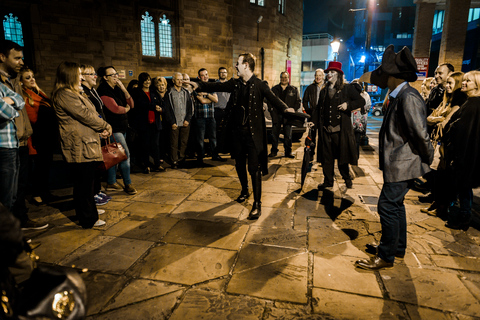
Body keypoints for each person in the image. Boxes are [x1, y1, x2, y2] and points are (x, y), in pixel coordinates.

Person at [187, 53, 294, 220]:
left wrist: (286, 108)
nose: (235, 66)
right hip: (237, 134)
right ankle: (244, 190)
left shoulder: (260, 85)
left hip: (252, 135)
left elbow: (273, 99)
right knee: (239, 164)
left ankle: (257, 204)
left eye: (238, 63)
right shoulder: (235, 84)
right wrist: (198, 85)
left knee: (254, 168)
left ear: (246, 65)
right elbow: (217, 86)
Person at [355, 45, 433, 270]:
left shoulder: (408, 97)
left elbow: (420, 133)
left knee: (386, 206)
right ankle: (396, 247)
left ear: (394, 76)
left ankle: (386, 255)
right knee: (396, 205)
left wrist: (428, 159)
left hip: (404, 165)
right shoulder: (399, 94)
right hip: (399, 164)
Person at [52, 61, 112, 228]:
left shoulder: (75, 93)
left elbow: (91, 113)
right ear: (70, 75)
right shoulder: (65, 94)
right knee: (83, 185)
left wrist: (100, 130)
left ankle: (89, 210)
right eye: (78, 74)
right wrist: (105, 126)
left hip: (86, 141)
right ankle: (87, 218)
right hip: (79, 145)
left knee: (87, 182)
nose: (81, 77)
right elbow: (85, 115)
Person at [0, 40, 47, 230]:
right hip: (8, 141)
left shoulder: (10, 79)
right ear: (2, 57)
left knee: (16, 189)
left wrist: (11, 102)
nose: (21, 61)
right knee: (7, 194)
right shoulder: (5, 80)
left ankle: (17, 225)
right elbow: (8, 111)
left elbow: (17, 103)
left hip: (19, 138)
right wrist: (12, 105)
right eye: (17, 58)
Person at [312, 61, 365, 190]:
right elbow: (318, 109)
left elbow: (361, 100)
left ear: (339, 74)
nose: (329, 74)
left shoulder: (347, 88)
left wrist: (348, 105)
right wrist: (312, 121)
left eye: (332, 72)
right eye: (328, 72)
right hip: (326, 131)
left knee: (343, 159)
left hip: (340, 132)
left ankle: (346, 178)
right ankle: (328, 181)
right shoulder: (324, 91)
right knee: (327, 159)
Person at [421, 72, 466, 217]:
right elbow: (429, 119)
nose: (447, 86)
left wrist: (440, 118)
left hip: (445, 147)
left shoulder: (459, 104)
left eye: (450, 83)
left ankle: (442, 206)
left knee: (443, 178)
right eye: (447, 83)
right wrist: (439, 118)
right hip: (437, 143)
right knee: (436, 175)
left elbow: (445, 124)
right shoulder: (446, 101)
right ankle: (436, 202)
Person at [443, 71, 480, 231]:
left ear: (477, 85)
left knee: (462, 188)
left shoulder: (473, 105)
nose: (463, 83)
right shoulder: (472, 102)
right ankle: (463, 215)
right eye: (463, 80)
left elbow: (465, 134)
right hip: (466, 154)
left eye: (468, 81)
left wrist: (456, 155)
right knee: (464, 188)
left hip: (464, 155)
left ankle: (461, 217)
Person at [19, 67, 58, 206]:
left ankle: (45, 192)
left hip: (46, 135)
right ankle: (36, 194)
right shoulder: (24, 96)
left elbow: (48, 103)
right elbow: (32, 117)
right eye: (27, 77)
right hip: (36, 136)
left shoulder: (37, 93)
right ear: (21, 81)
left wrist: (38, 88)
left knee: (46, 166)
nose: (32, 79)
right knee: (38, 167)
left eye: (32, 76)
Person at [97, 66, 137, 195]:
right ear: (105, 77)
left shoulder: (117, 89)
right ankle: (128, 183)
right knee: (124, 155)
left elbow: (131, 104)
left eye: (116, 74)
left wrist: (124, 88)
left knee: (114, 156)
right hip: (113, 128)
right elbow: (115, 108)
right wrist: (125, 110)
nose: (116, 76)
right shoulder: (103, 90)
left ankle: (111, 182)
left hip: (122, 126)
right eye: (112, 75)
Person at [80, 65, 112, 206]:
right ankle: (93, 193)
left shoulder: (92, 90)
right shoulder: (83, 92)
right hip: (94, 132)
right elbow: (89, 115)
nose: (95, 76)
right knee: (93, 165)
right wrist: (101, 128)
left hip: (100, 129)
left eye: (94, 73)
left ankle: (97, 190)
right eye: (91, 74)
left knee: (99, 163)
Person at [131, 72, 164, 173]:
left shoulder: (154, 92)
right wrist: (153, 107)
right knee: (145, 145)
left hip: (155, 122)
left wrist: (160, 109)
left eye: (149, 80)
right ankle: (146, 165)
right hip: (144, 123)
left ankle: (157, 164)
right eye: (145, 80)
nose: (147, 82)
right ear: (141, 81)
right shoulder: (137, 92)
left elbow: (161, 103)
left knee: (155, 144)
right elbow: (140, 104)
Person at [163, 72, 193, 168]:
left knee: (184, 142)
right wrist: (172, 122)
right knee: (174, 143)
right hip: (175, 122)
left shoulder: (186, 92)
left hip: (185, 122)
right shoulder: (169, 93)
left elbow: (190, 107)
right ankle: (174, 161)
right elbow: (167, 109)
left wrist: (187, 119)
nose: (180, 81)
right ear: (173, 81)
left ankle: (181, 158)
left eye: (181, 79)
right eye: (178, 79)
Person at [268, 71, 301, 158]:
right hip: (276, 114)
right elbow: (269, 100)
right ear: (280, 78)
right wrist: (271, 110)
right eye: (282, 77)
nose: (284, 79)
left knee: (288, 135)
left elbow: (298, 102)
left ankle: (288, 152)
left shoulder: (294, 89)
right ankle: (274, 151)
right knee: (275, 135)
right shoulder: (274, 89)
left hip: (288, 116)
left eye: (285, 77)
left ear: (288, 78)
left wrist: (293, 109)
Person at [194, 68, 222, 164]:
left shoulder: (211, 87)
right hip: (200, 117)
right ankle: (200, 157)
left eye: (206, 74)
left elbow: (216, 100)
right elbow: (202, 101)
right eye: (203, 75)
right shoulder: (197, 88)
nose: (205, 76)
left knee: (213, 137)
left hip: (211, 117)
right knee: (200, 139)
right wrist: (211, 98)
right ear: (199, 77)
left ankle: (215, 155)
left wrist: (206, 94)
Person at [302, 68, 325, 154]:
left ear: (323, 76)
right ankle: (311, 154)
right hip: (313, 114)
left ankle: (321, 156)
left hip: (323, 115)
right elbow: (305, 100)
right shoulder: (310, 87)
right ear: (314, 76)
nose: (318, 77)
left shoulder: (326, 87)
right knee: (312, 135)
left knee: (323, 137)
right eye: (316, 75)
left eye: (320, 75)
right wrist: (308, 111)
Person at [350, 79, 371, 158]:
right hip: (350, 121)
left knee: (357, 141)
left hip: (359, 122)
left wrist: (359, 108)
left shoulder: (365, 95)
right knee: (349, 141)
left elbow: (368, 106)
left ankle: (355, 157)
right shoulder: (349, 94)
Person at [213, 67, 230, 158]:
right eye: (221, 72)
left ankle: (226, 150)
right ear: (219, 73)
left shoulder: (229, 84)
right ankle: (216, 152)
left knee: (228, 132)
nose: (223, 74)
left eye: (225, 72)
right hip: (217, 111)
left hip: (227, 111)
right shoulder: (216, 84)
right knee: (216, 133)